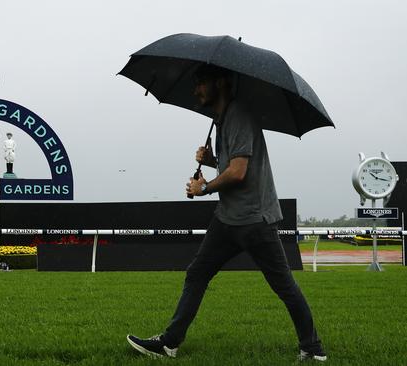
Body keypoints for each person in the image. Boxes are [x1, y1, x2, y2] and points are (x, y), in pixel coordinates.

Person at [126, 64, 326, 362]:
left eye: (200, 82)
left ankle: (313, 349)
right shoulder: (222, 119)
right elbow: (230, 165)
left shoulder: (240, 116)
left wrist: (204, 187)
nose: (195, 89)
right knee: (197, 273)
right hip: (228, 219)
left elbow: (239, 172)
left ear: (220, 83)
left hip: (255, 220)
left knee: (283, 285)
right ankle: (170, 343)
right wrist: (212, 160)